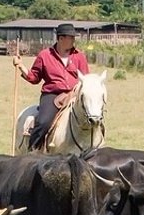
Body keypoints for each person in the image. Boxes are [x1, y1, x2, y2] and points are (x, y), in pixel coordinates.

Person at [13, 22, 90, 151]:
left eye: (73, 38)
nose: (73, 40)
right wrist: (20, 66)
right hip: (52, 95)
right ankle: (33, 150)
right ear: (60, 38)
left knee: (93, 118)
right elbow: (34, 77)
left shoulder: (79, 56)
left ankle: (94, 150)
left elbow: (86, 79)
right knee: (43, 122)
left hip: (75, 94)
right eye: (70, 37)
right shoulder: (45, 55)